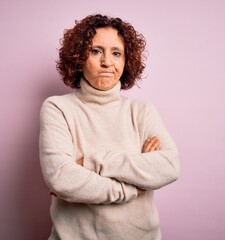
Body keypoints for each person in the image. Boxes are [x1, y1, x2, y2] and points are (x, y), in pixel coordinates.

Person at [39, 14, 180, 240]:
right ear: (79, 57)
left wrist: (89, 162)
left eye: (116, 53)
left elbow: (169, 166)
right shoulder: (58, 108)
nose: (107, 62)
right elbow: (62, 178)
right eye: (96, 51)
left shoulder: (142, 111)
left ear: (126, 61)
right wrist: (133, 188)